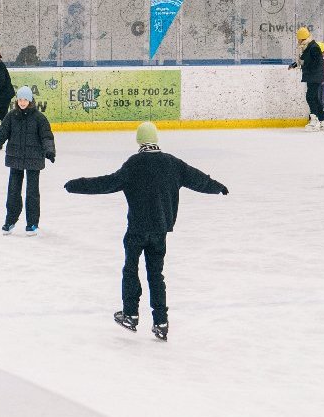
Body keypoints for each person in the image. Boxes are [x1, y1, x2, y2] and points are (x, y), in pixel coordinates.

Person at [64, 121, 228, 343]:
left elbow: (107, 183)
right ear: (156, 139)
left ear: (139, 141)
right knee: (156, 274)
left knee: (131, 269)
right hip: (160, 230)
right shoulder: (172, 163)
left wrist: (77, 185)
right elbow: (197, 179)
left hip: (137, 229)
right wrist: (217, 186)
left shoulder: (134, 164)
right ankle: (161, 321)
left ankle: (130, 314)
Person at [0, 86, 55, 235]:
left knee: (32, 192)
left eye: (25, 99)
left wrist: (49, 151)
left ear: (30, 100)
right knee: (13, 191)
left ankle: (32, 224)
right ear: (16, 100)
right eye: (20, 99)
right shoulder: (11, 116)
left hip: (33, 159)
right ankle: (10, 221)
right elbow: (0, 136)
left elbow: (46, 137)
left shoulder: (39, 118)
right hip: (15, 158)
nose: (22, 102)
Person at [287, 27, 324, 130]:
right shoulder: (308, 47)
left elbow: (315, 62)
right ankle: (323, 120)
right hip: (312, 76)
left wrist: (304, 65)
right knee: (314, 98)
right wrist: (294, 65)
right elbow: (303, 60)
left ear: (302, 38)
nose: (298, 40)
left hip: (315, 76)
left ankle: (314, 120)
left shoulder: (314, 47)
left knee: (310, 97)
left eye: (299, 38)